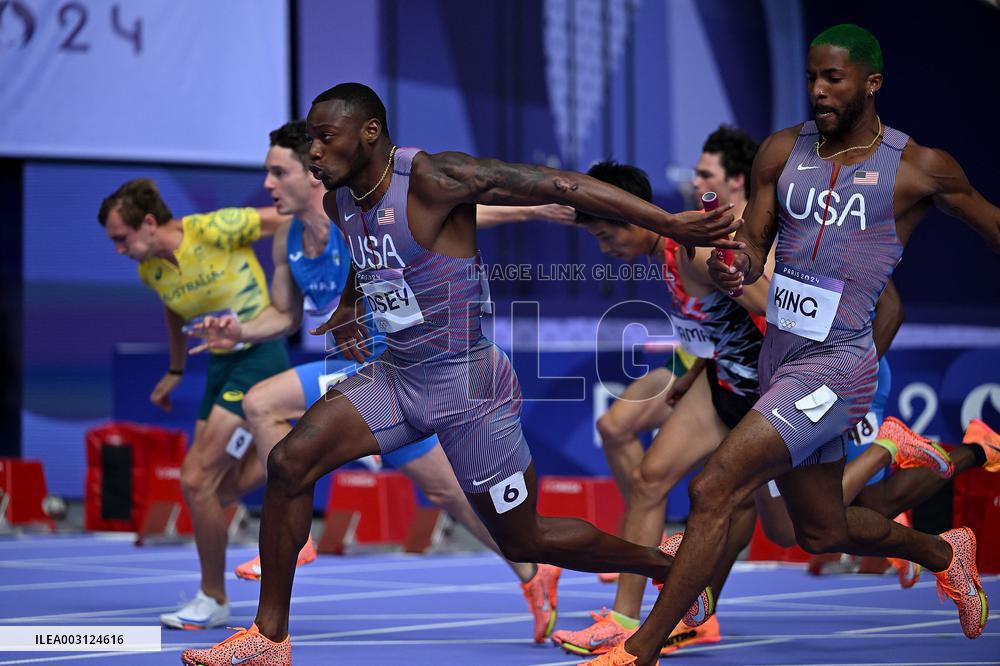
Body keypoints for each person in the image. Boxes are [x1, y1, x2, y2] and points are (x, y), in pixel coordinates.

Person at [179, 81, 744, 665]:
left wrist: (670, 224)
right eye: (310, 140)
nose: (313, 152)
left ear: (369, 132)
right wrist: (350, 301)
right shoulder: (339, 201)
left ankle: (667, 566)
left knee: (525, 538)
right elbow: (366, 248)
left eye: (324, 138)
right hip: (396, 377)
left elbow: (561, 184)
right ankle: (269, 639)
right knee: (289, 461)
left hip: (469, 388)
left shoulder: (432, 179)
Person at [596, 24, 998, 665]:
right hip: (776, 361)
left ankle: (639, 647)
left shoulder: (920, 167)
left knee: (712, 489)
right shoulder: (782, 152)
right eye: (811, 77)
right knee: (817, 530)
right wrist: (737, 266)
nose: (817, 90)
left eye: (832, 78)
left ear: (872, 83)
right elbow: (754, 247)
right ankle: (946, 553)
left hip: (836, 368)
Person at [188, 119, 573, 643]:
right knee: (266, 407)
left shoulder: (360, 213)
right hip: (356, 377)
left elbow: (461, 212)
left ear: (311, 173)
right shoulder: (287, 240)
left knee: (455, 494)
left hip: (405, 366)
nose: (269, 185)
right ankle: (298, 534)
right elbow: (282, 317)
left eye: (279, 172)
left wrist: (533, 207)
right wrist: (236, 330)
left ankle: (531, 568)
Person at [97, 181, 290, 630]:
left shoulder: (213, 229)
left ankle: (213, 597)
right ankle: (294, 452)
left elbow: (288, 218)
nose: (119, 250)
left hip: (257, 356)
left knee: (195, 478)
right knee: (215, 490)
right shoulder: (151, 269)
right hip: (218, 365)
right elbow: (174, 308)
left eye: (121, 238)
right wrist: (176, 370)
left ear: (148, 223)